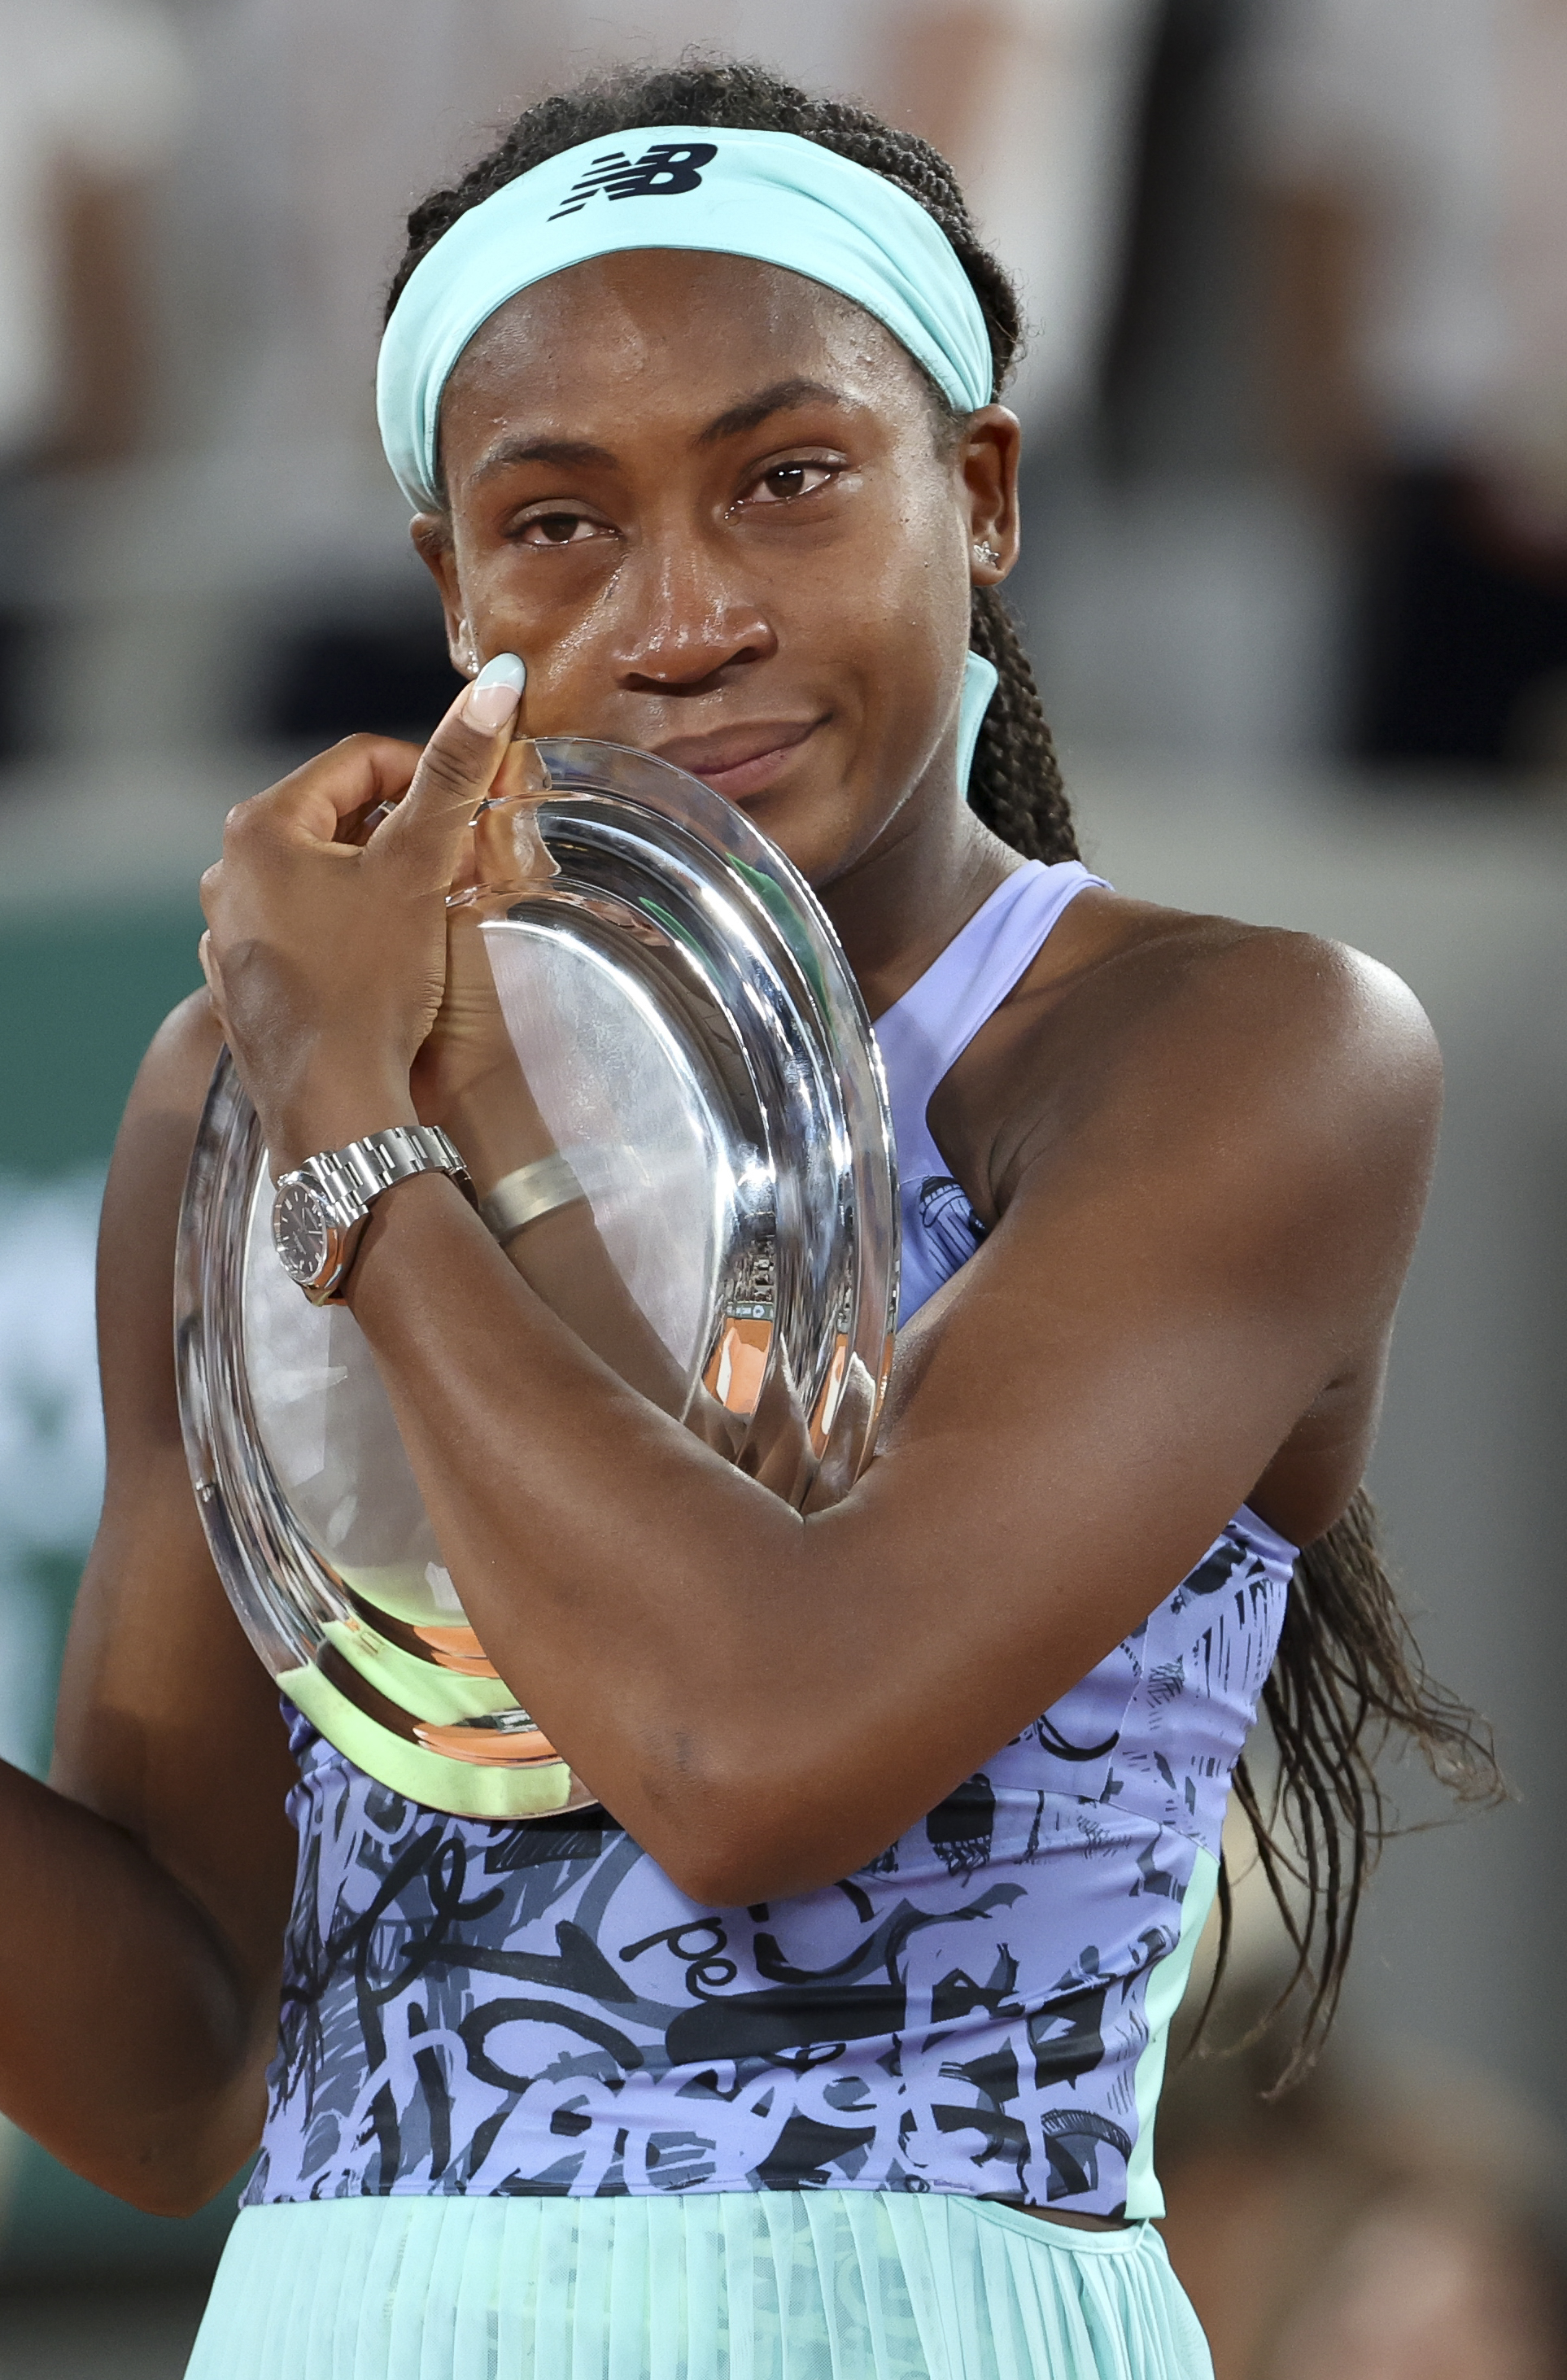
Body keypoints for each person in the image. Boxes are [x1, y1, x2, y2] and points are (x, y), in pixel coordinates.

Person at [0, 59, 1495, 2380]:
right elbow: (174, 2067)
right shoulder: (230, 1081)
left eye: (789, 482)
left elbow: (746, 1756)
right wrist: (310, 1084)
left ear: (981, 497)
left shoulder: (1247, 1049)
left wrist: (354, 1122)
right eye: (560, 526)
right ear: (450, 581)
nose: (679, 616)